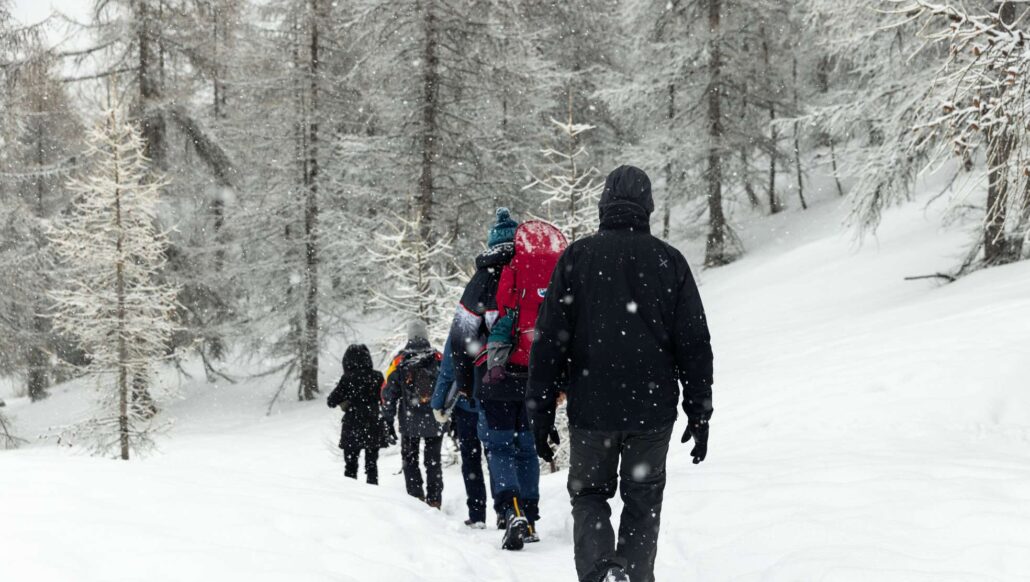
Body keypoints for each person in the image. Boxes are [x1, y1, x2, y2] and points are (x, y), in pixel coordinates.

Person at [528, 165, 714, 582]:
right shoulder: (669, 260)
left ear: (603, 203)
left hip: (593, 408)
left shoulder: (577, 257)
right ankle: (629, 573)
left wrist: (539, 409)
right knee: (643, 498)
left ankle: (599, 574)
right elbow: (694, 342)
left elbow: (549, 340)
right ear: (647, 205)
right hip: (651, 411)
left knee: (590, 496)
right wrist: (699, 408)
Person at [449, 207, 541, 551]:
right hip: (533, 379)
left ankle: (511, 509)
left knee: (500, 447)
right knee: (528, 448)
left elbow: (461, 338)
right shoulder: (534, 275)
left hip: (495, 378)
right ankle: (530, 515)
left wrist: (467, 384)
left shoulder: (481, 283)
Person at [430, 336, 495, 529]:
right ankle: (505, 510)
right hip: (495, 404)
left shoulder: (460, 333)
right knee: (497, 456)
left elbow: (447, 373)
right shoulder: (497, 323)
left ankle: (477, 514)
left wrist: (437, 404)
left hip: (467, 406)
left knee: (471, 459)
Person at [382, 320, 445, 508]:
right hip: (435, 418)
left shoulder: (399, 361)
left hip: (409, 420)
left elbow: (389, 393)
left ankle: (416, 497)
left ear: (409, 336)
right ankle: (434, 499)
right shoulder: (438, 358)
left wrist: (387, 419)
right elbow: (449, 386)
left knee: (410, 459)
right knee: (433, 461)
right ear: (426, 335)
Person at [327, 344, 386, 484]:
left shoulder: (347, 378)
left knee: (350, 466)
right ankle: (374, 494)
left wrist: (346, 401)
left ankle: (352, 496)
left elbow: (331, 401)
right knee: (372, 466)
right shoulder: (377, 376)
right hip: (373, 423)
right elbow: (386, 398)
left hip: (352, 425)